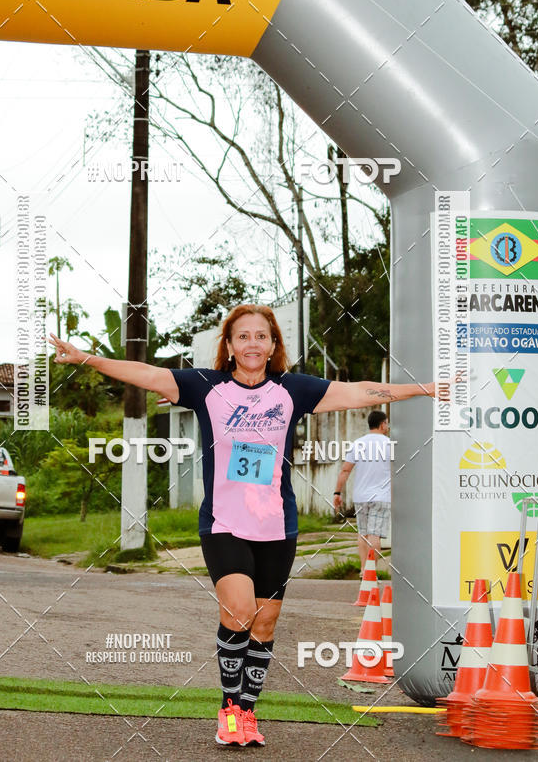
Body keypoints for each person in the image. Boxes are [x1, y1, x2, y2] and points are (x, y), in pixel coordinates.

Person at [49, 303, 435, 748]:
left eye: (261, 336)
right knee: (238, 613)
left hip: (277, 525)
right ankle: (229, 709)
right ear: (229, 346)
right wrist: (86, 359)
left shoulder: (293, 390)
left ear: (273, 345)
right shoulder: (204, 386)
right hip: (224, 523)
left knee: (265, 625)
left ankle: (248, 713)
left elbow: (360, 392)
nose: (253, 343)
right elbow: (146, 373)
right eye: (243, 336)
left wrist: (422, 389)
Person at [333, 410, 392, 575]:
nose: (387, 426)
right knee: (375, 535)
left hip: (360, 496)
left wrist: (337, 493)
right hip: (381, 497)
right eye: (387, 423)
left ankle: (363, 569)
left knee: (363, 533)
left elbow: (345, 470)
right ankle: (371, 572)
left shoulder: (358, 444)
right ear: (382, 425)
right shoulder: (390, 444)